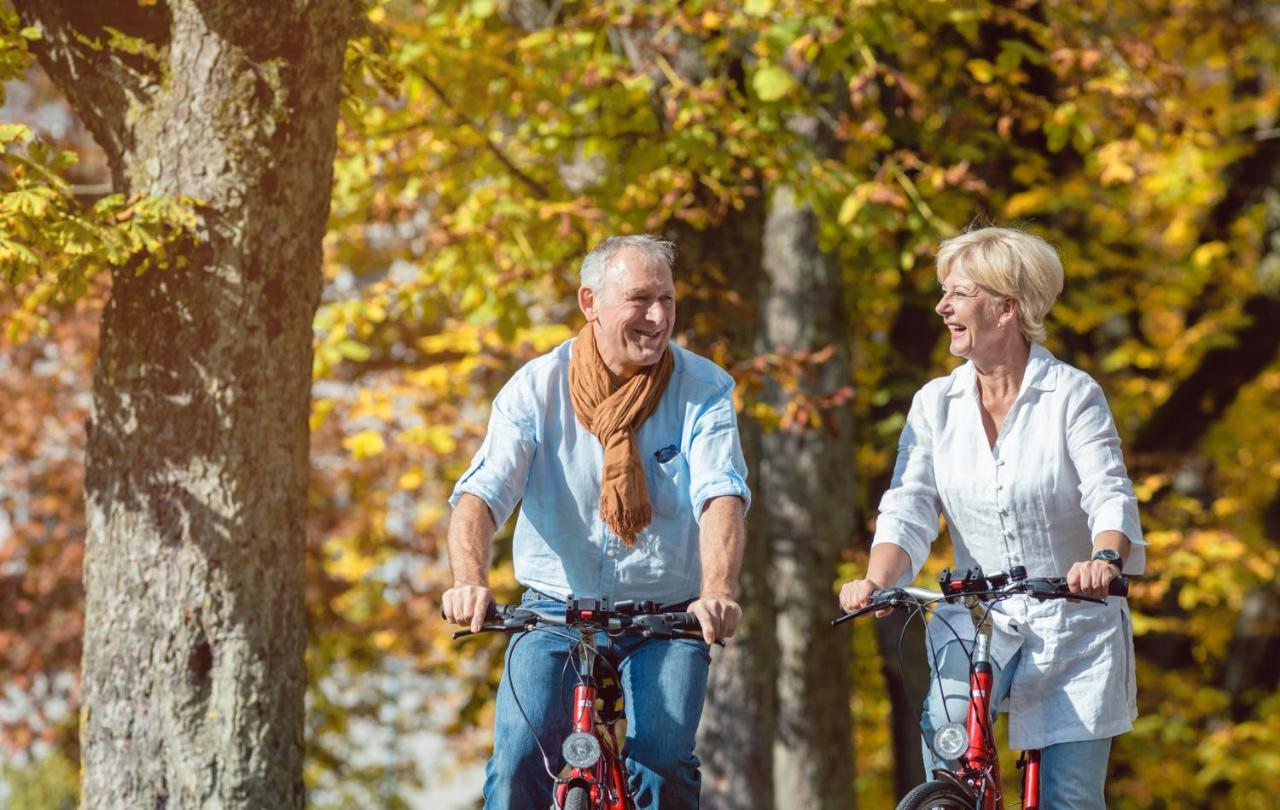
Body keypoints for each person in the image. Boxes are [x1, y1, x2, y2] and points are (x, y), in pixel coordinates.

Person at [837, 226, 1146, 808]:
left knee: (1070, 797)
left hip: (1073, 622)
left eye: (959, 293)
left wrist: (1103, 558)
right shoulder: (935, 403)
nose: (942, 306)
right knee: (952, 763)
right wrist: (877, 581)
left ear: (1007, 308)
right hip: (976, 617)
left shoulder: (1071, 395)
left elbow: (1109, 493)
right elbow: (909, 506)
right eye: (943, 292)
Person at [441, 234, 750, 809]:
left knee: (662, 763)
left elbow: (721, 496)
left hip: (666, 616)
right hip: (554, 610)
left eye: (667, 299)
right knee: (515, 763)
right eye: (639, 299)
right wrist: (469, 582)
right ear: (591, 303)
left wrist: (717, 593)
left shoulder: (704, 390)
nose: (657, 317)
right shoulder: (536, 387)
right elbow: (481, 495)